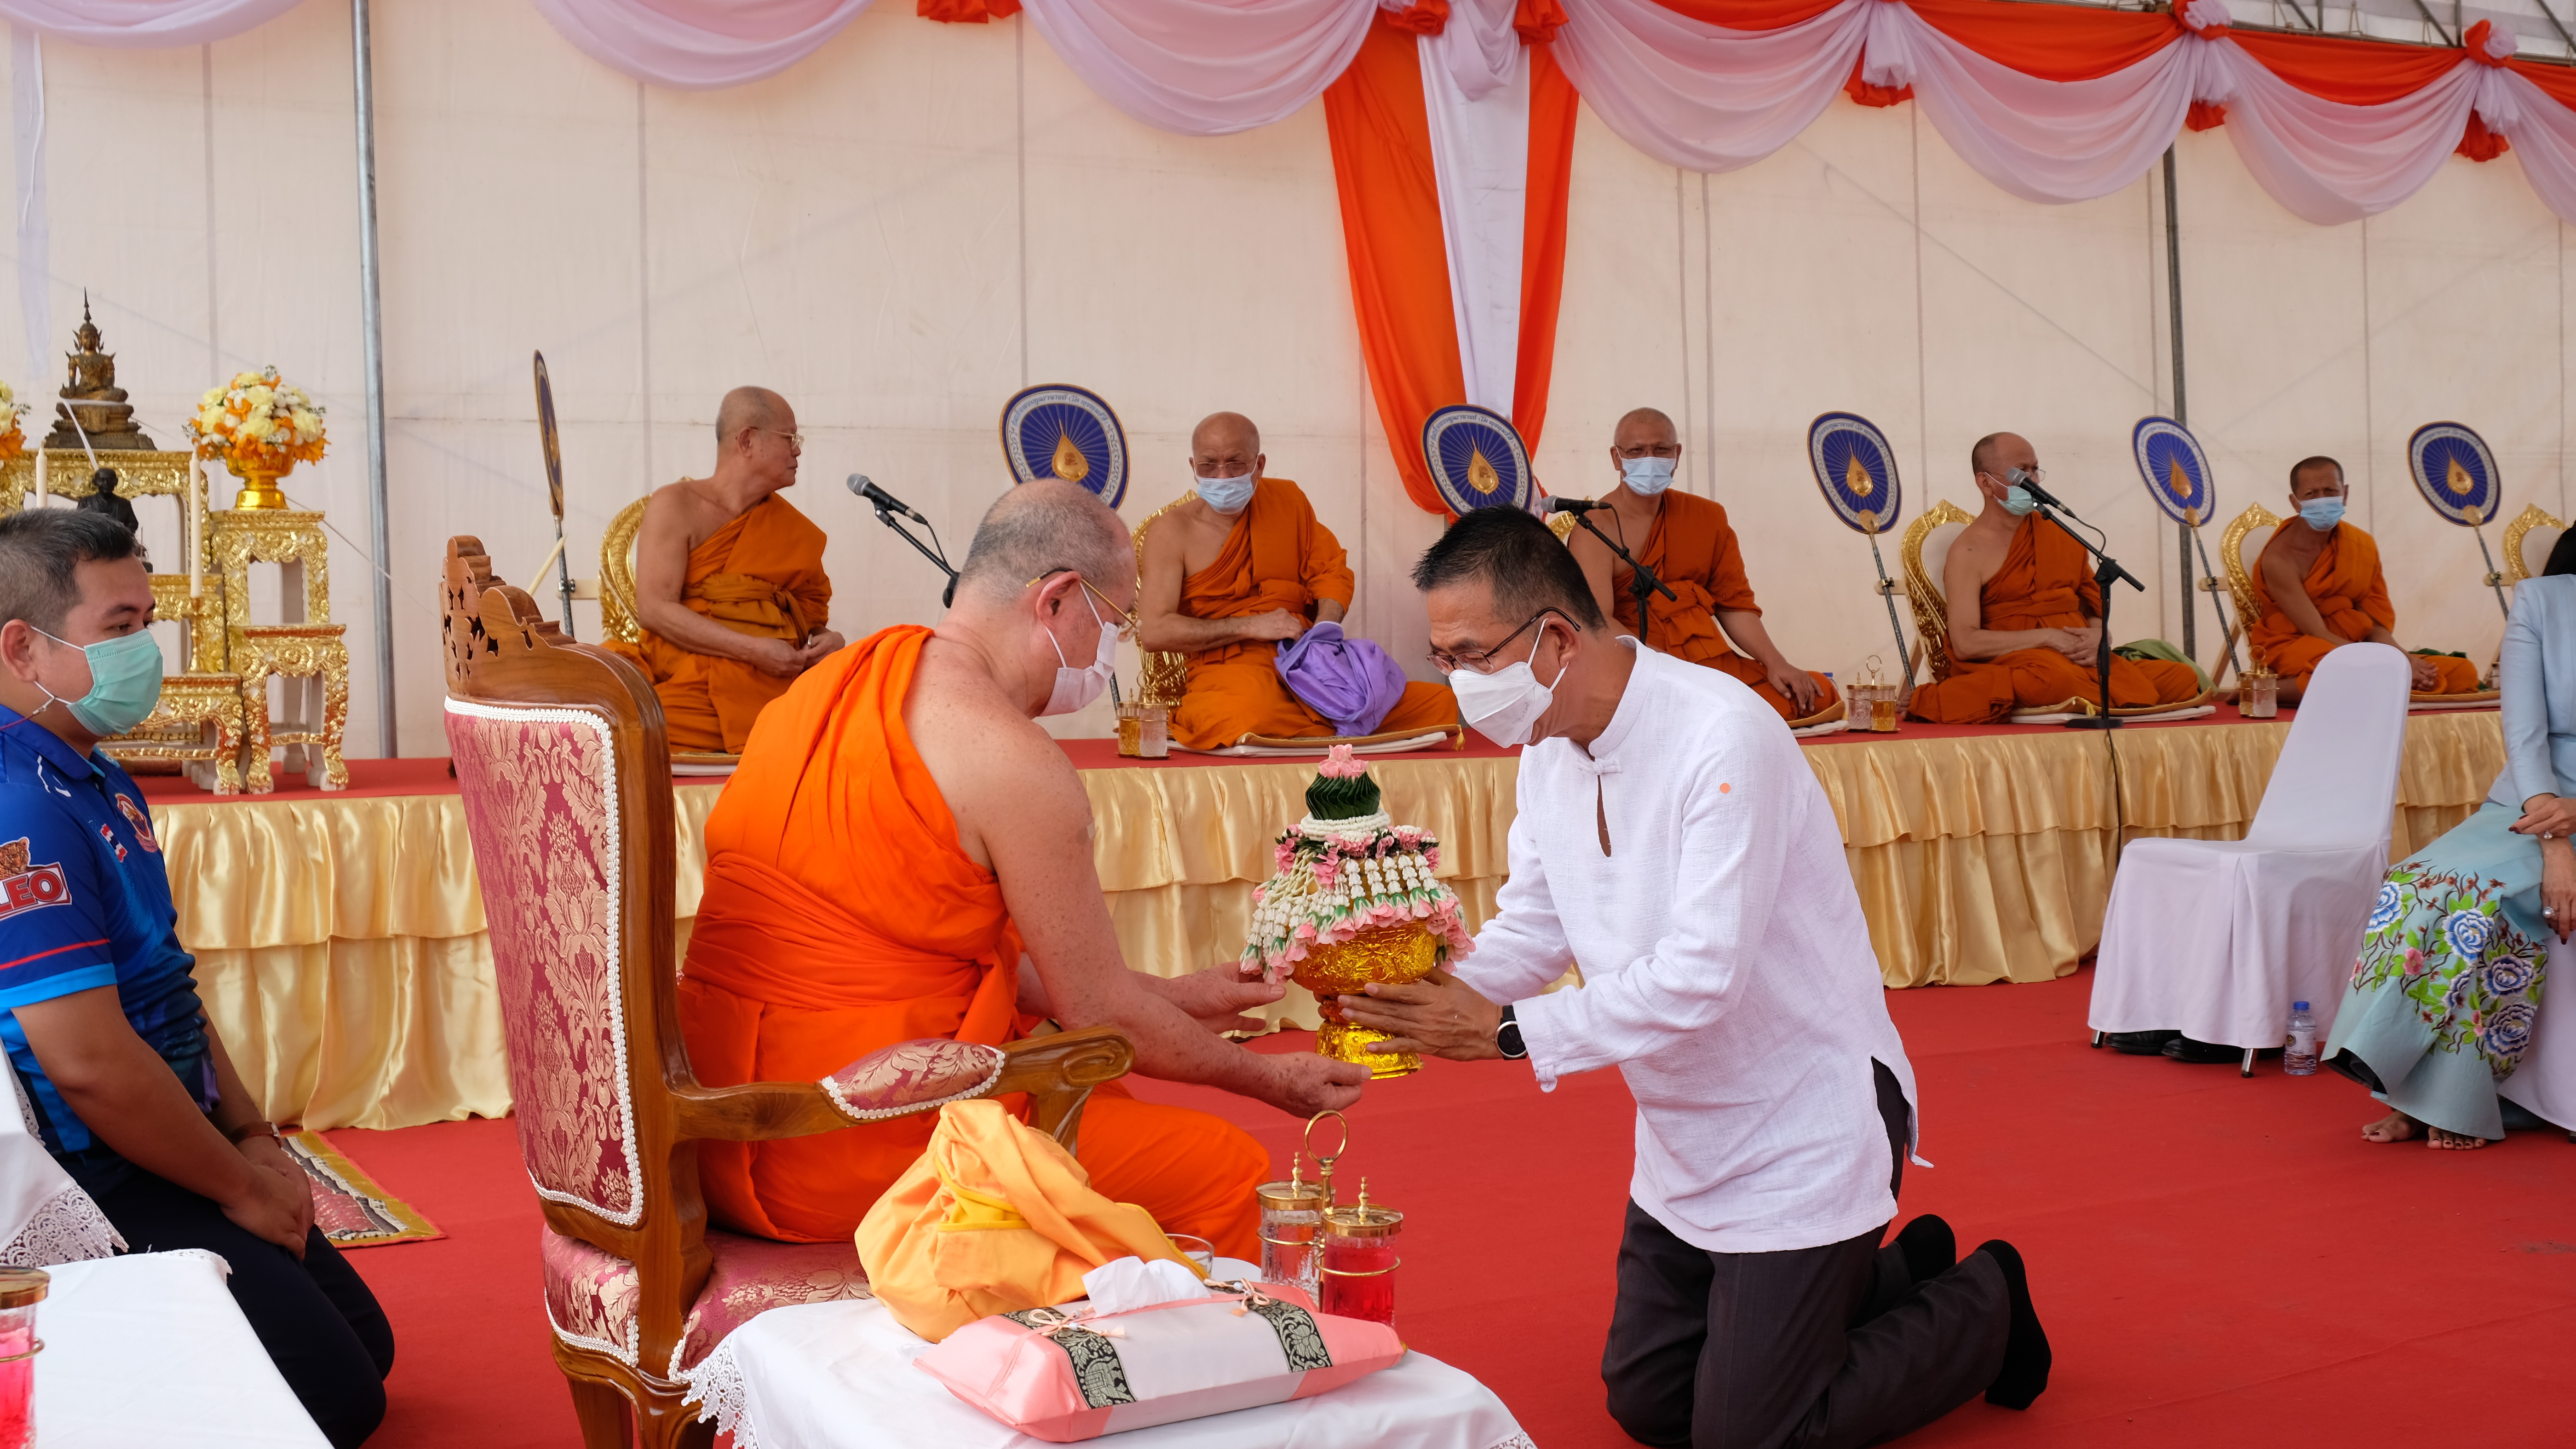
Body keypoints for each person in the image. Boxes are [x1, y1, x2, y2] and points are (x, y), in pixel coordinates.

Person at [1338, 505, 2049, 1447]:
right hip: (1683, 1131)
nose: (1458, 684)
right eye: (1447, 660)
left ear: (1552, 637)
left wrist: (1510, 1030)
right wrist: (1401, 986)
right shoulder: (1547, 748)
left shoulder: (1722, 734)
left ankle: (1986, 1300)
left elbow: (1702, 975)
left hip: (1806, 1118)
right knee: (1650, 1401)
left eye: (1468, 655)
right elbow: (1533, 931)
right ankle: (1893, 1272)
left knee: (1747, 1435)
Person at [677, 479, 1368, 1253]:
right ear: (1058, 601)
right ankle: (1115, 1366)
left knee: (1101, 1082)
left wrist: (1180, 995)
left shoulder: (820, 691)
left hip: (724, 1118)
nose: (1110, 652)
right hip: (855, 1136)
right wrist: (1276, 1082)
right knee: (1226, 1169)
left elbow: (951, 956)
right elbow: (1100, 1014)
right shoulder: (1012, 758)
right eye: (1115, 622)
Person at [0, 511, 392, 1446]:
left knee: (361, 1349)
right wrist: (242, 1189)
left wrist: (254, 1137)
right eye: (122, 626)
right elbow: (87, 1059)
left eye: (150, 620)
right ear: (23, 647)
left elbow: (168, 983)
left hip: (168, 1131)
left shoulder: (95, 776)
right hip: (90, 1167)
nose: (150, 651)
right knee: (334, 1398)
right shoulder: (22, 806)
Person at [2323, 529, 2576, 1148]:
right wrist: (2553, 833)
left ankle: (2452, 1099)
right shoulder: (2543, 601)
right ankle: (2407, 1081)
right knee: (2421, 883)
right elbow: (2523, 728)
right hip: (2530, 800)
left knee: (2489, 903)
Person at [1137, 411, 1455, 748]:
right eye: (1208, 465)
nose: (1222, 475)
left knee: (1438, 705)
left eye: (1235, 463)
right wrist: (1251, 626)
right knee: (1244, 715)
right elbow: (1155, 631)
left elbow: (1331, 572)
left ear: (1259, 465)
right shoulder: (1172, 531)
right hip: (1230, 670)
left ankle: (1325, 726)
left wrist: (1321, 634)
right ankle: (1341, 730)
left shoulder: (1287, 502)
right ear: (1193, 466)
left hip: (1307, 662)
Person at [604, 386, 842, 753]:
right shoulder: (677, 505)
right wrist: (752, 651)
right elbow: (655, 609)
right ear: (747, 440)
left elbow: (806, 612)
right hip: (694, 684)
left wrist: (827, 640)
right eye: (790, 438)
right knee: (627, 730)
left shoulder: (793, 530)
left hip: (775, 684)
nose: (797, 450)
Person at [1562, 408, 1835, 722]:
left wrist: (1777, 663)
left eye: (1661, 449)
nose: (1650, 459)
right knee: (1702, 712)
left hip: (1711, 665)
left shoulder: (1707, 518)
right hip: (1641, 669)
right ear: (1616, 458)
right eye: (1636, 451)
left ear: (1677, 455)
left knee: (1819, 692)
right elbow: (1599, 624)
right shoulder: (1596, 527)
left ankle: (1712, 714)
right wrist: (1663, 666)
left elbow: (1734, 606)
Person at [1909, 433, 2203, 722]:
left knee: (2181, 677)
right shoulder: (1969, 551)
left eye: (2035, 469)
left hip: (2079, 659)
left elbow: (2090, 601)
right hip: (2028, 663)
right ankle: (2103, 696)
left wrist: (2099, 635)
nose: (2033, 480)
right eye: (2021, 471)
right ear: (1986, 482)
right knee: (2056, 681)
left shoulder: (2056, 532)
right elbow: (1966, 643)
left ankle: (2096, 696)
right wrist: (2047, 639)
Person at [2248, 456, 2483, 703]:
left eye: (2330, 491)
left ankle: (2392, 680)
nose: (2323, 500)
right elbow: (2315, 630)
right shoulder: (2279, 559)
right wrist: (2383, 663)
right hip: (2299, 645)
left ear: (2345, 493)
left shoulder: (2360, 545)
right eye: (2311, 494)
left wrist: (2403, 659)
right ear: (2295, 503)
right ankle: (2261, 692)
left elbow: (2373, 625)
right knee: (2343, 676)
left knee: (2462, 673)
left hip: (2355, 646)